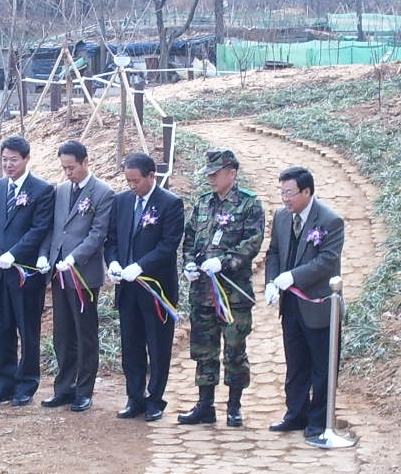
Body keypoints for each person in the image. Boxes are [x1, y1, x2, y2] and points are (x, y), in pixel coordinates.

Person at [177, 148, 265, 427]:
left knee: (235, 350)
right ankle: (205, 405)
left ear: (232, 173)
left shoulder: (249, 204)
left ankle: (234, 406)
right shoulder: (203, 203)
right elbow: (189, 239)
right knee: (204, 349)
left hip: (232, 292)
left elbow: (252, 242)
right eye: (209, 174)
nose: (211, 179)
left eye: (216, 174)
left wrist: (224, 262)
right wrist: (189, 264)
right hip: (202, 292)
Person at [265, 166, 344, 439]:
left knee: (321, 366)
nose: (285, 199)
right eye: (282, 193)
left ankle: (320, 420)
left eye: (290, 193)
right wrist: (272, 281)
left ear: (307, 191)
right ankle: (295, 414)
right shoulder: (281, 217)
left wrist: (293, 276)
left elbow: (326, 261)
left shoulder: (330, 221)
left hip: (320, 305)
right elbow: (274, 251)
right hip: (292, 306)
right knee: (296, 362)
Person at [104, 152, 184, 422]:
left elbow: (168, 245)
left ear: (152, 176)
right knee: (131, 344)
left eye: (136, 181)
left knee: (158, 345)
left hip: (156, 289)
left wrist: (141, 266)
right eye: (128, 181)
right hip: (127, 290)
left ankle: (155, 399)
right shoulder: (121, 201)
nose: (132, 186)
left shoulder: (170, 204)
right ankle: (134, 397)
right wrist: (113, 262)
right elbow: (111, 238)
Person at [37, 140, 114, 412]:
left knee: (85, 334)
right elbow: (53, 229)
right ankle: (64, 387)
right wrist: (47, 255)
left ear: (85, 162)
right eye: (64, 168)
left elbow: (97, 234)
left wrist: (74, 258)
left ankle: (84, 390)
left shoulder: (103, 193)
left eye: (71, 167)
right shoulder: (60, 191)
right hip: (59, 273)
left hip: (83, 274)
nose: (68, 172)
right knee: (62, 334)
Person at [0, 135, 54, 407]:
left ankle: (27, 383)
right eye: (5, 160)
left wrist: (13, 254)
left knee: (27, 329)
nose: (8, 165)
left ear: (26, 159)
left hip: (25, 274)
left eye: (14, 160)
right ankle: (4, 381)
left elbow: (39, 229)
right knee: (2, 328)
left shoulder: (42, 189)